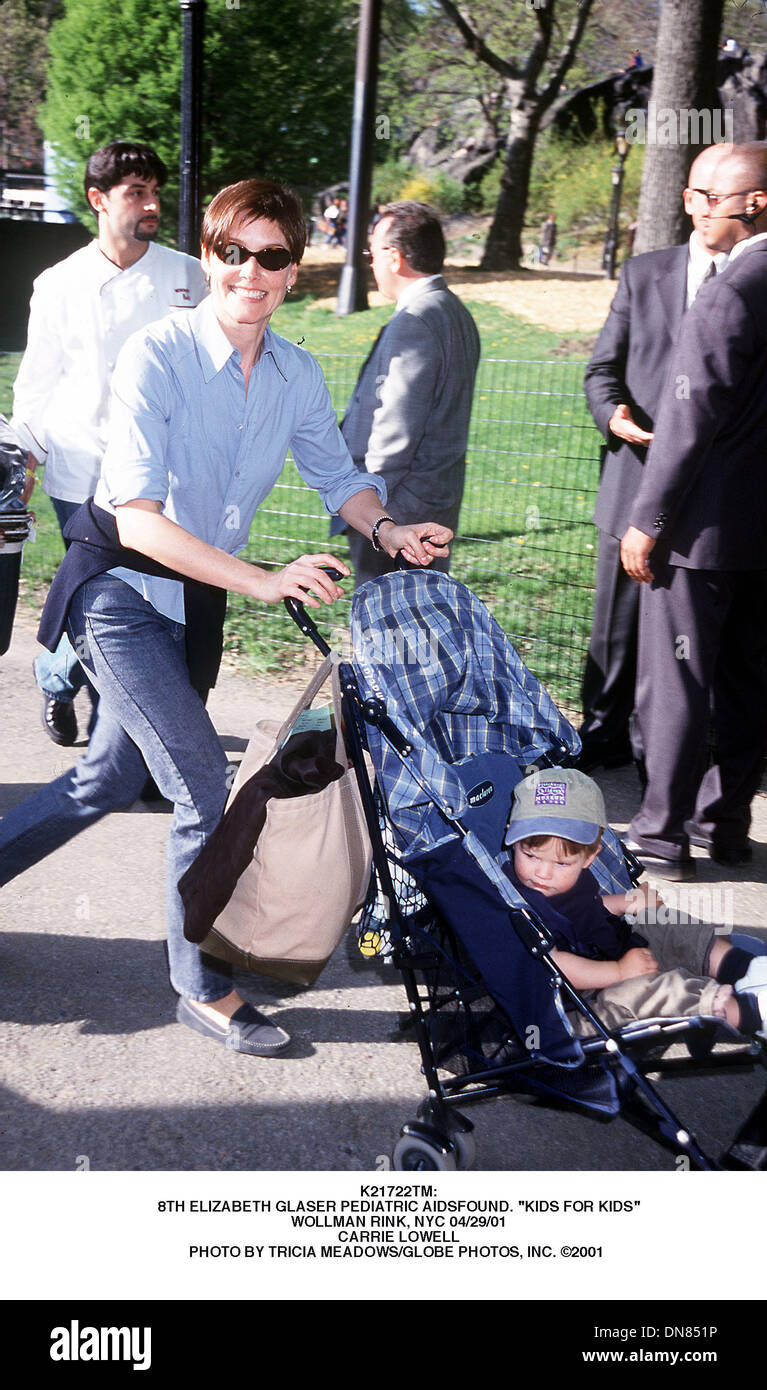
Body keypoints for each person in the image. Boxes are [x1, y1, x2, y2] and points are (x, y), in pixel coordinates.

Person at [0, 177, 453, 1056]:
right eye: (232, 252)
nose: (251, 271)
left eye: (273, 256)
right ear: (207, 258)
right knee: (203, 789)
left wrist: (391, 530)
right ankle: (201, 987)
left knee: (104, 781)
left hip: (193, 601)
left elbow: (339, 476)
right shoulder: (156, 354)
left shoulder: (292, 369)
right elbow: (135, 516)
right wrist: (263, 580)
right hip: (117, 590)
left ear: (293, 272)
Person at [12, 141, 208, 748]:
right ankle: (118, 748)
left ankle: (59, 674)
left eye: (155, 192)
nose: (151, 204)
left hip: (159, 475)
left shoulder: (187, 276)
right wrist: (23, 454)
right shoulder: (59, 284)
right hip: (81, 473)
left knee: (133, 599)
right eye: (135, 194)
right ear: (98, 200)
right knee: (108, 599)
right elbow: (38, 378)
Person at [620, 142, 767, 879]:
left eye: (710, 196)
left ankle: (660, 836)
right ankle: (724, 825)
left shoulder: (732, 289)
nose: (697, 208)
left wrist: (646, 520)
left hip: (702, 533)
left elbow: (687, 421)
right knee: (748, 682)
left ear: (754, 205)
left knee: (677, 683)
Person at [580, 143, 737, 777]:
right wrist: (613, 414)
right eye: (695, 196)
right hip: (632, 482)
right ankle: (602, 734)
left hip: (710, 498)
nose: (703, 210)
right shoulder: (644, 273)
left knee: (686, 641)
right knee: (614, 632)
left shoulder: (751, 281)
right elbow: (600, 370)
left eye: (716, 198)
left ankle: (670, 754)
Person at [503, 769, 767, 1039]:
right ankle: (746, 1012)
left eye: (561, 863)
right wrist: (617, 971)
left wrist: (625, 902)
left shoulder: (571, 881)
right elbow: (553, 964)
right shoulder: (512, 899)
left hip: (609, 958)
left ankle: (744, 968)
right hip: (575, 1007)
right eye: (531, 855)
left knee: (663, 922)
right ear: (511, 838)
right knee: (659, 990)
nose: (543, 873)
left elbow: (585, 909)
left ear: (589, 857)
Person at [333, 200, 481, 588]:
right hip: (432, 505)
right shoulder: (453, 309)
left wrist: (370, 509)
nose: (370, 262)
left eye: (372, 252)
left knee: (387, 632)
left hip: (397, 512)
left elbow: (393, 430)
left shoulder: (415, 319)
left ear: (395, 257)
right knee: (417, 631)